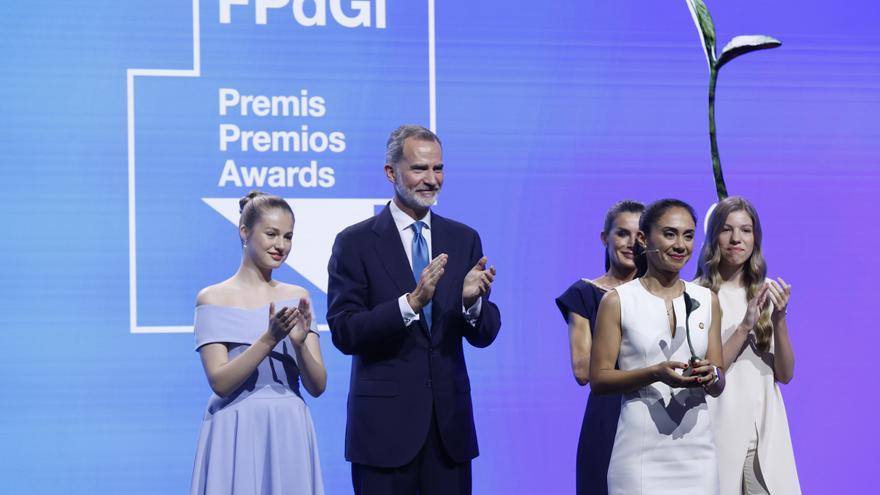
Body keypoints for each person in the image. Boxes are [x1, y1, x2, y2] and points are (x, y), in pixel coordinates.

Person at [327, 124, 502, 495]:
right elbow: (345, 331)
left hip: (448, 433)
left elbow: (484, 334)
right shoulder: (355, 242)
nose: (431, 179)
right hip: (383, 436)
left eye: (438, 169)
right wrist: (410, 304)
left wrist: (471, 303)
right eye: (420, 169)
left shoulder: (463, 238)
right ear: (391, 173)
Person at [190, 191, 326, 495]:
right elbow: (220, 382)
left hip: (288, 424)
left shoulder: (297, 295)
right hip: (234, 426)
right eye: (272, 234)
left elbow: (317, 386)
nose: (281, 245)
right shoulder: (212, 298)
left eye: (288, 236)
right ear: (244, 231)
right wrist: (269, 339)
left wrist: (300, 345)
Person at [590, 198, 724, 495]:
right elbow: (599, 380)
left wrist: (711, 374)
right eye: (670, 234)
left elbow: (719, 378)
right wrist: (655, 373)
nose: (681, 245)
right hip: (640, 455)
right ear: (643, 238)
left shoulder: (707, 300)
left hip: (698, 455)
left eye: (688, 236)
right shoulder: (617, 301)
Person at [696, 196, 800, 495]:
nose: (736, 239)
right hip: (718, 427)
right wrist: (744, 327)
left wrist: (779, 318)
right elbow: (708, 373)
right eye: (727, 229)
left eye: (746, 230)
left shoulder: (765, 292)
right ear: (714, 235)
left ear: (756, 237)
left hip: (766, 427)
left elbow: (786, 374)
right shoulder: (698, 295)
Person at [555, 200, 645, 495]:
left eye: (640, 235)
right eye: (622, 234)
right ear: (605, 238)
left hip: (657, 414)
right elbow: (583, 370)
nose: (632, 243)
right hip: (609, 417)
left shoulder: (665, 294)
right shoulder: (583, 294)